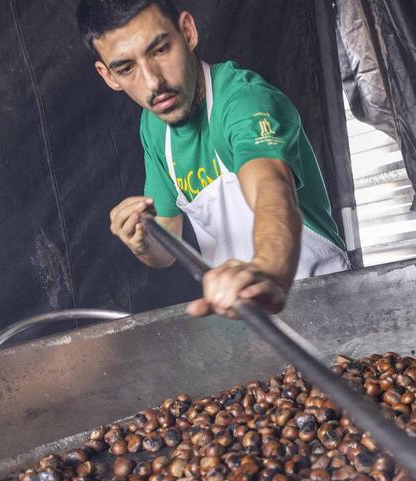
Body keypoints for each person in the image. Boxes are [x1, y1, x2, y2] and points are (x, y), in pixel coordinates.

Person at [77, 0, 351, 320]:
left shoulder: (243, 99)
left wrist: (269, 272)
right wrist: (143, 242)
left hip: (324, 301)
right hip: (243, 317)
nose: (153, 82)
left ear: (188, 32)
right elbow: (166, 244)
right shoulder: (154, 128)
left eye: (161, 50)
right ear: (108, 75)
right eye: (126, 68)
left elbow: (270, 188)